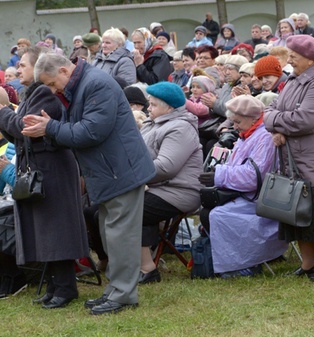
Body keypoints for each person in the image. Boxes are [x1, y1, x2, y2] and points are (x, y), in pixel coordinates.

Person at [23, 53, 156, 315]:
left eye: (51, 83)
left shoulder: (97, 84)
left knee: (121, 236)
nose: (52, 90)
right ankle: (116, 289)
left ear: (63, 70)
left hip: (120, 171)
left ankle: (122, 294)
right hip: (110, 172)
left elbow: (91, 131)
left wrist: (50, 128)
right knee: (111, 233)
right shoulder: (84, 84)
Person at [0, 46, 88, 309]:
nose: (18, 70)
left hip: (53, 170)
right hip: (42, 168)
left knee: (55, 229)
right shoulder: (34, 93)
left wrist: (3, 110)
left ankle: (65, 288)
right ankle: (53, 285)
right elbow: (19, 131)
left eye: (24, 66)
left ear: (38, 68)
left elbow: (24, 127)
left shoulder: (44, 94)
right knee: (45, 229)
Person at [264, 35, 314, 282]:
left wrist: (277, 124)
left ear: (310, 59)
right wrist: (277, 125)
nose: (289, 62)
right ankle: (308, 262)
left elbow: (305, 120)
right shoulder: (294, 79)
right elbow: (270, 109)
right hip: (296, 157)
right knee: (299, 211)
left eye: (293, 57)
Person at [199, 95, 288, 278]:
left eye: (237, 122)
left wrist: (219, 174)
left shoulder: (264, 137)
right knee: (208, 210)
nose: (235, 126)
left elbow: (254, 176)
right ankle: (237, 261)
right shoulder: (248, 134)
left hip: (261, 199)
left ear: (253, 118)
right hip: (248, 195)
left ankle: (245, 264)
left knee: (216, 214)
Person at [136, 82, 202, 284]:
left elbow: (166, 167)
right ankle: (109, 262)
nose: (148, 108)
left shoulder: (180, 128)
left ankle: (147, 268)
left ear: (170, 108)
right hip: (156, 187)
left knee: (132, 209)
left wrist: (131, 176)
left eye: (153, 104)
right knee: (95, 210)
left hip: (180, 192)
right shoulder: (152, 123)